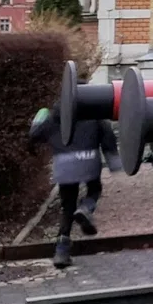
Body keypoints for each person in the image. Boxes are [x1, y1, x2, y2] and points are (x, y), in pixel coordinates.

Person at [28, 103, 118, 269]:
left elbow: (35, 135)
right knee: (94, 189)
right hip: (88, 160)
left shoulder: (55, 114)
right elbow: (107, 135)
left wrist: (38, 122)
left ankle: (61, 251)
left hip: (64, 165)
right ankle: (86, 208)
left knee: (68, 207)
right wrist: (113, 159)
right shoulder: (93, 112)